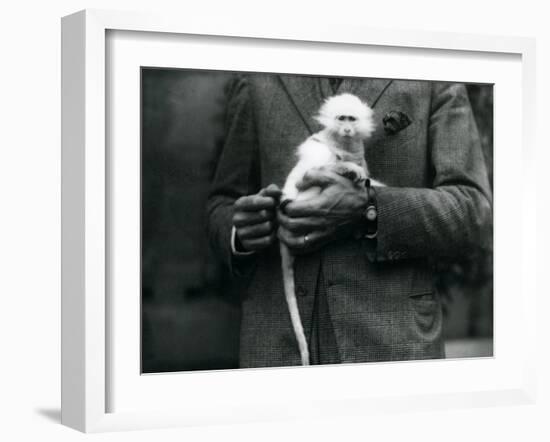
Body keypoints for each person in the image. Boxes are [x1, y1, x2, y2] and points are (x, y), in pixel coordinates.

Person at [206, 73, 492, 368]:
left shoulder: (431, 71)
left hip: (391, 349)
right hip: (276, 346)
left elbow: (473, 211)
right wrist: (241, 232)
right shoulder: (258, 73)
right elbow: (222, 202)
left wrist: (369, 207)